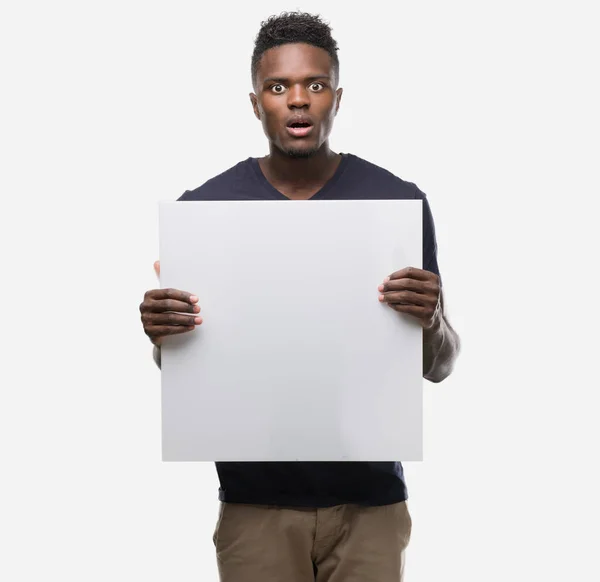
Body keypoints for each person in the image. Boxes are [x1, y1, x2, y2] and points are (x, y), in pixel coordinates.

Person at [139, 11, 460, 582]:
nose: (297, 100)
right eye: (278, 86)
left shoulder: (395, 202)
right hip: (253, 507)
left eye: (314, 85)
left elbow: (440, 366)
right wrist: (162, 335)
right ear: (255, 101)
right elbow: (183, 365)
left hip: (372, 507)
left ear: (337, 97)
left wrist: (431, 320)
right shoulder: (205, 212)